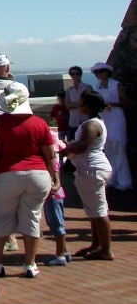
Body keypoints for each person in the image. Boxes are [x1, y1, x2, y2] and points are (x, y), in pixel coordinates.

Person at [0, 82, 59, 278]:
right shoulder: (39, 123)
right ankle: (30, 264)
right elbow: (50, 155)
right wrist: (55, 177)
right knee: (32, 219)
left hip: (8, 175)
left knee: (1, 218)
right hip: (38, 175)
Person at [63, 90, 114, 260]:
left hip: (92, 170)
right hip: (90, 169)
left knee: (99, 210)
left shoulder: (91, 125)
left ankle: (106, 249)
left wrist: (65, 147)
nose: (78, 105)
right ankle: (97, 244)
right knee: (93, 210)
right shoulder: (92, 123)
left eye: (81, 103)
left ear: (89, 106)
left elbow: (82, 146)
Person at [90, 61, 132, 191]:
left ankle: (124, 181)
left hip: (116, 119)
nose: (99, 74)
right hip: (104, 119)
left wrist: (112, 104)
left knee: (119, 149)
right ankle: (112, 179)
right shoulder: (97, 86)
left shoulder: (115, 85)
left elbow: (126, 102)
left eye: (101, 71)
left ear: (107, 72)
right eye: (97, 72)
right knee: (108, 150)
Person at [42, 136, 71, 266]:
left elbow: (55, 179)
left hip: (53, 194)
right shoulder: (54, 159)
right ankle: (64, 251)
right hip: (55, 194)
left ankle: (60, 255)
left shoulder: (51, 161)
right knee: (55, 222)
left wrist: (54, 185)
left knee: (56, 223)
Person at [64, 66, 92, 140]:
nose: (75, 75)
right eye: (73, 74)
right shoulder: (69, 90)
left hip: (85, 121)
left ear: (81, 74)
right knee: (73, 142)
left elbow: (89, 104)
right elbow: (67, 106)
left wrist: (74, 105)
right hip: (73, 122)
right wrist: (81, 103)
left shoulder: (87, 87)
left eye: (77, 73)